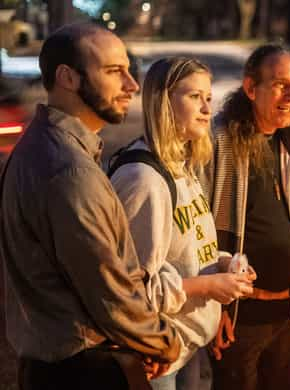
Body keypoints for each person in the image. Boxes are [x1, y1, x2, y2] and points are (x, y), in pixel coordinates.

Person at [0, 23, 179, 389]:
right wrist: (163, 342)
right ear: (68, 77)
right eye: (115, 72)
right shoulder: (68, 171)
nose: (131, 85)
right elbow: (108, 289)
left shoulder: (44, 146)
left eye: (130, 71)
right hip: (84, 369)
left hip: (61, 362)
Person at [109, 57, 255, 390]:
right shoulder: (144, 179)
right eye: (193, 97)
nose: (207, 108)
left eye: (207, 97)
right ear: (163, 101)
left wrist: (221, 264)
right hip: (157, 358)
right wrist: (208, 287)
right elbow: (132, 287)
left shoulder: (181, 166)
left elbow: (181, 250)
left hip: (185, 346)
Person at [202, 43, 290, 390]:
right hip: (240, 319)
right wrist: (217, 309)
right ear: (250, 88)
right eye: (279, 84)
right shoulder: (220, 141)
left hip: (287, 316)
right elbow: (200, 235)